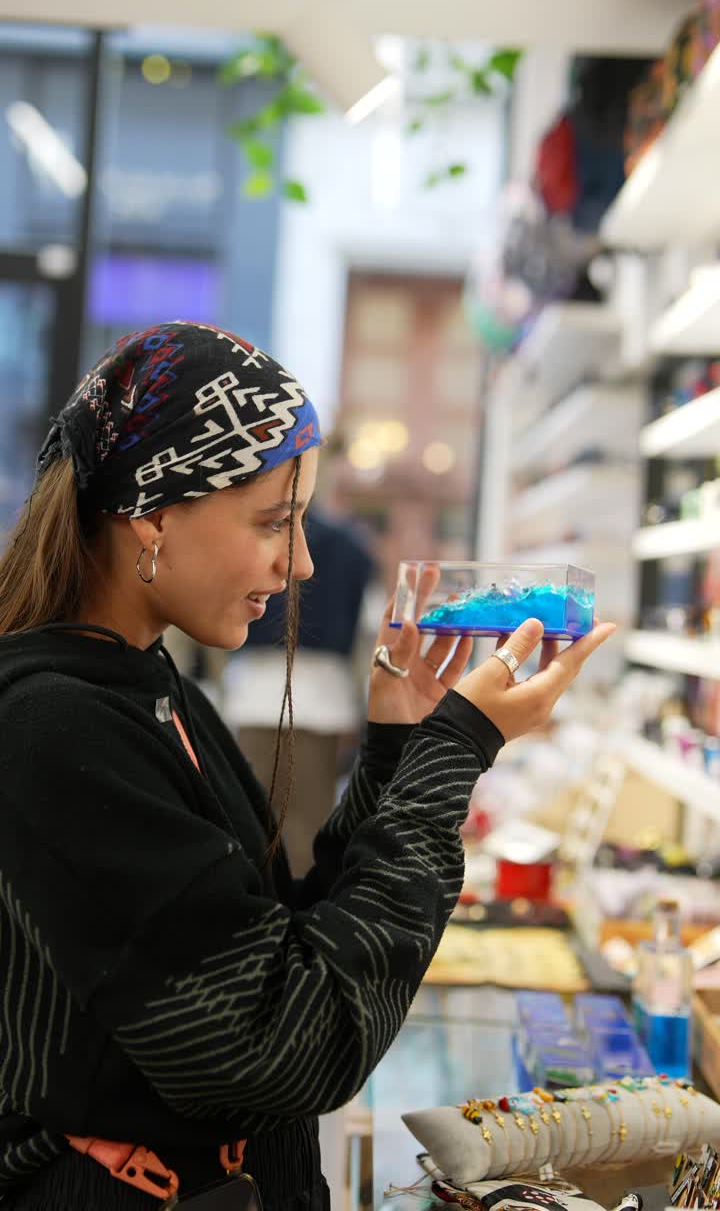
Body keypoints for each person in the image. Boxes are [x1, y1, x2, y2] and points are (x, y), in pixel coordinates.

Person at [0, 320, 614, 1210]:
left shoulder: (147, 685)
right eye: (273, 521)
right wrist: (456, 750)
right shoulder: (53, 729)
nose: (303, 561)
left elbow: (280, 945)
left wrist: (400, 744)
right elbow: (289, 1043)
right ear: (155, 512)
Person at [227, 503, 376, 876]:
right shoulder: (353, 545)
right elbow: (367, 633)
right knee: (308, 827)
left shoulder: (253, 530)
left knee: (249, 823)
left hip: (255, 691)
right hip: (323, 698)